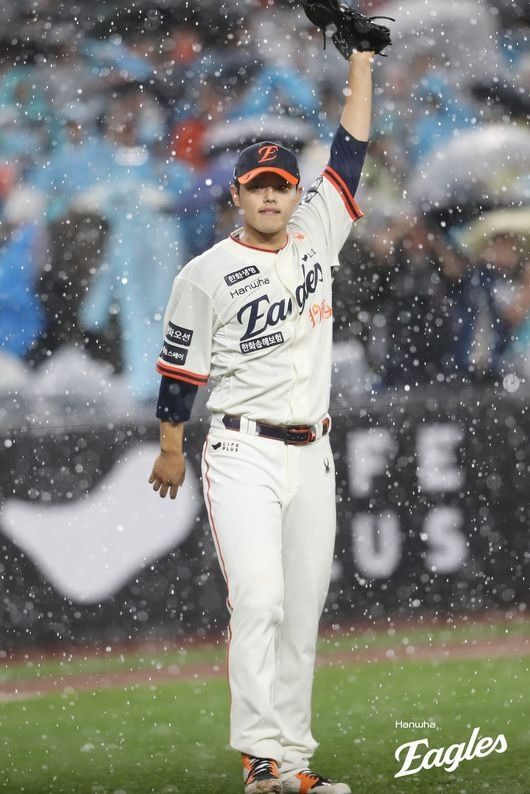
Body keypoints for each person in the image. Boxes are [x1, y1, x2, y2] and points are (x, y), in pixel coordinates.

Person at [148, 47, 375, 794]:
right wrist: (170, 447)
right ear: (238, 195)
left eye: (282, 186)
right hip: (242, 448)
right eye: (260, 188)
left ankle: (296, 766)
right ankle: (260, 760)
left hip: (314, 451)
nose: (273, 197)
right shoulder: (204, 273)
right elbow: (180, 373)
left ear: (295, 192)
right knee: (261, 602)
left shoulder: (317, 232)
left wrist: (362, 64)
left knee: (302, 615)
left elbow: (351, 149)